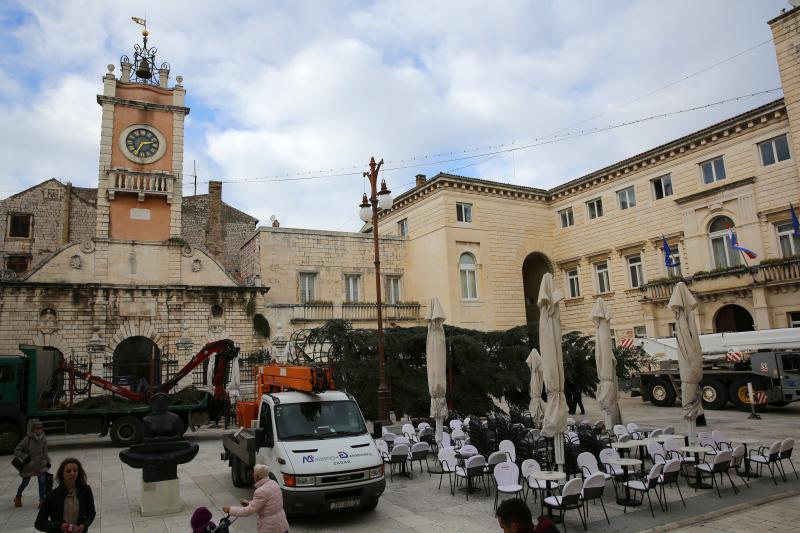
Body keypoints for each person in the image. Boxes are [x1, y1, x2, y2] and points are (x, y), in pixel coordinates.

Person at [223, 464, 288, 533]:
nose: (253, 475)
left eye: (254, 474)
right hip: (281, 525)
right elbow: (266, 503)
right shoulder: (274, 483)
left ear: (257, 476)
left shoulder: (261, 491)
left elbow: (247, 511)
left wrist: (230, 510)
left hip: (270, 528)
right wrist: (249, 503)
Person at [35, 458, 96, 533]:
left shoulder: (85, 490)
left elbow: (91, 513)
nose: (72, 473)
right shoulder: (52, 495)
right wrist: (60, 526)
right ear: (62, 474)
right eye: (68, 471)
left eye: (75, 470)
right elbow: (39, 523)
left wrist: (84, 525)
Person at [14, 418, 51, 508]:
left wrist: (48, 461)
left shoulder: (43, 438)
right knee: (25, 483)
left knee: (42, 481)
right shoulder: (27, 439)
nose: (39, 430)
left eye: (40, 428)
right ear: (32, 429)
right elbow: (17, 450)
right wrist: (25, 457)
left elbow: (45, 451)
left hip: (41, 465)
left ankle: (42, 500)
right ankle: (18, 496)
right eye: (36, 428)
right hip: (29, 466)